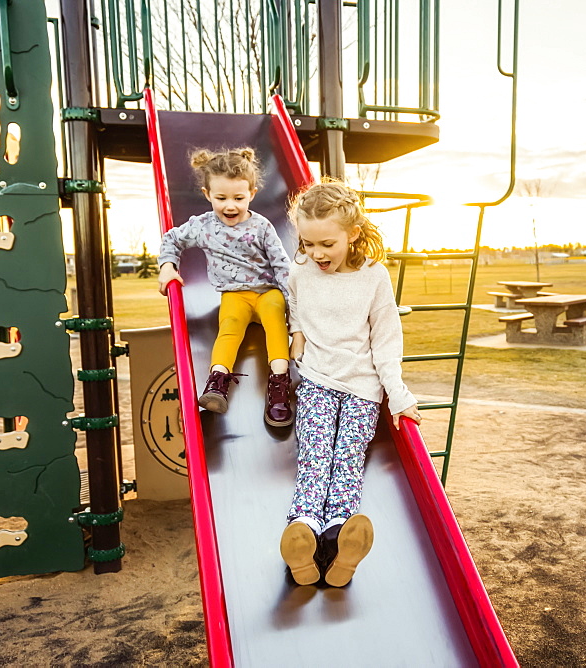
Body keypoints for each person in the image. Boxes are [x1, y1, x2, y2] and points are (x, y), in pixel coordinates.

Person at [280, 180, 421, 587]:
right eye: (307, 244)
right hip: (318, 382)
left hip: (363, 388)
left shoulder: (374, 277)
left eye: (327, 243)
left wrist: (398, 395)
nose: (316, 253)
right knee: (314, 457)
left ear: (353, 234)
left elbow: (386, 339)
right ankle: (303, 531)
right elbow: (295, 303)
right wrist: (298, 332)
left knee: (348, 461)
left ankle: (341, 534)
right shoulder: (301, 270)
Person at [157, 148, 293, 427]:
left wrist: (294, 304)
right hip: (235, 295)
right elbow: (171, 240)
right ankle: (217, 382)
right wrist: (167, 266)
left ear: (252, 193)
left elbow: (281, 265)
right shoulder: (202, 226)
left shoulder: (261, 227)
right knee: (229, 326)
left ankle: (279, 385)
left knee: (275, 321)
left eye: (238, 198)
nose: (230, 206)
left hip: (268, 292)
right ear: (207, 194)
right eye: (221, 198)